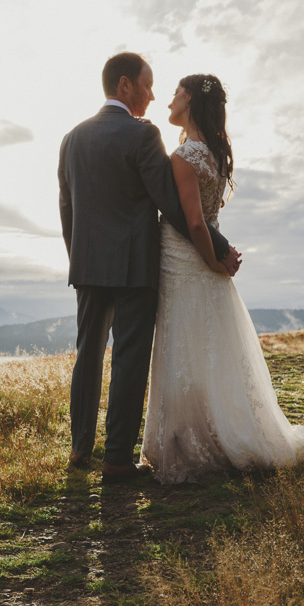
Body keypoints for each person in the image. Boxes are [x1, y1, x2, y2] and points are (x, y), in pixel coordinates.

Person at [57, 52, 241, 481]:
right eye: (147, 85)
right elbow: (173, 206)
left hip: (87, 267)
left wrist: (78, 258)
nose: (153, 95)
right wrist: (220, 245)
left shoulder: (71, 137)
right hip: (134, 268)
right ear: (125, 85)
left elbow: (67, 207)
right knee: (128, 358)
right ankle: (117, 459)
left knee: (87, 354)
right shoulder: (143, 136)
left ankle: (80, 450)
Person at [139, 74, 304, 484]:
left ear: (189, 101)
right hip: (201, 264)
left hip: (187, 262)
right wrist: (220, 259)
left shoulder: (185, 155)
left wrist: (214, 260)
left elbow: (194, 223)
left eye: (175, 94)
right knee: (211, 348)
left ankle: (190, 441)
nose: (168, 100)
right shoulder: (215, 155)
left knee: (184, 344)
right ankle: (207, 431)